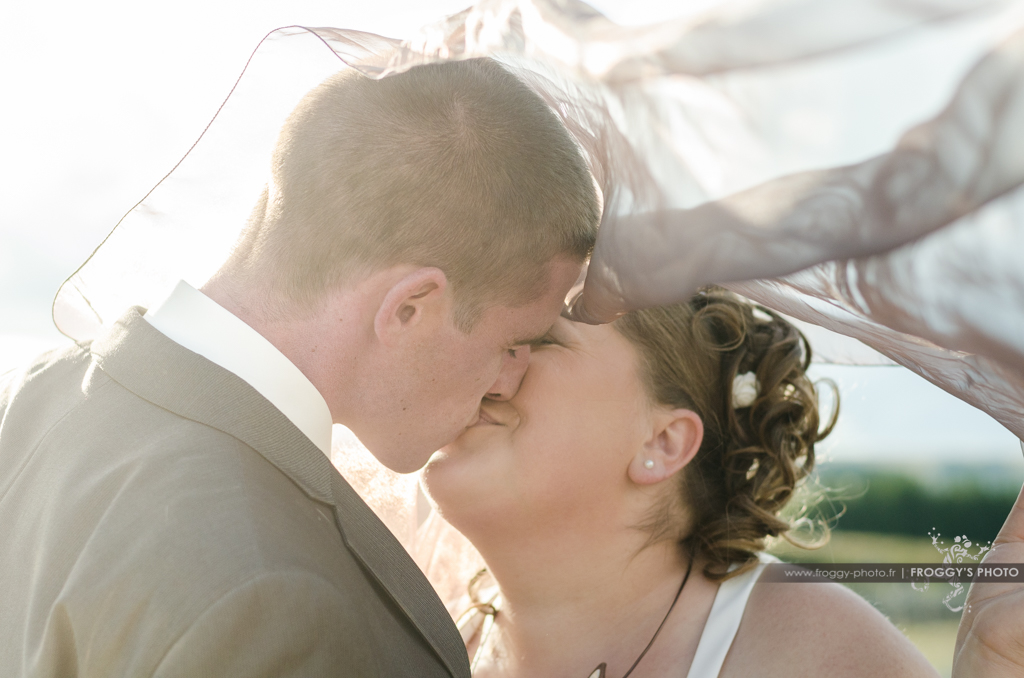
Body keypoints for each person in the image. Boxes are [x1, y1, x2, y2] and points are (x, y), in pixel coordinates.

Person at [0, 58, 597, 677]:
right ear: (411, 309)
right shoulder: (276, 595)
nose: (509, 380)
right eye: (512, 342)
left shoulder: (24, 400)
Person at [420, 288, 939, 677]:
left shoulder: (810, 647)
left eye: (537, 339)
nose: (479, 367)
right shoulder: (422, 636)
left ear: (663, 442)